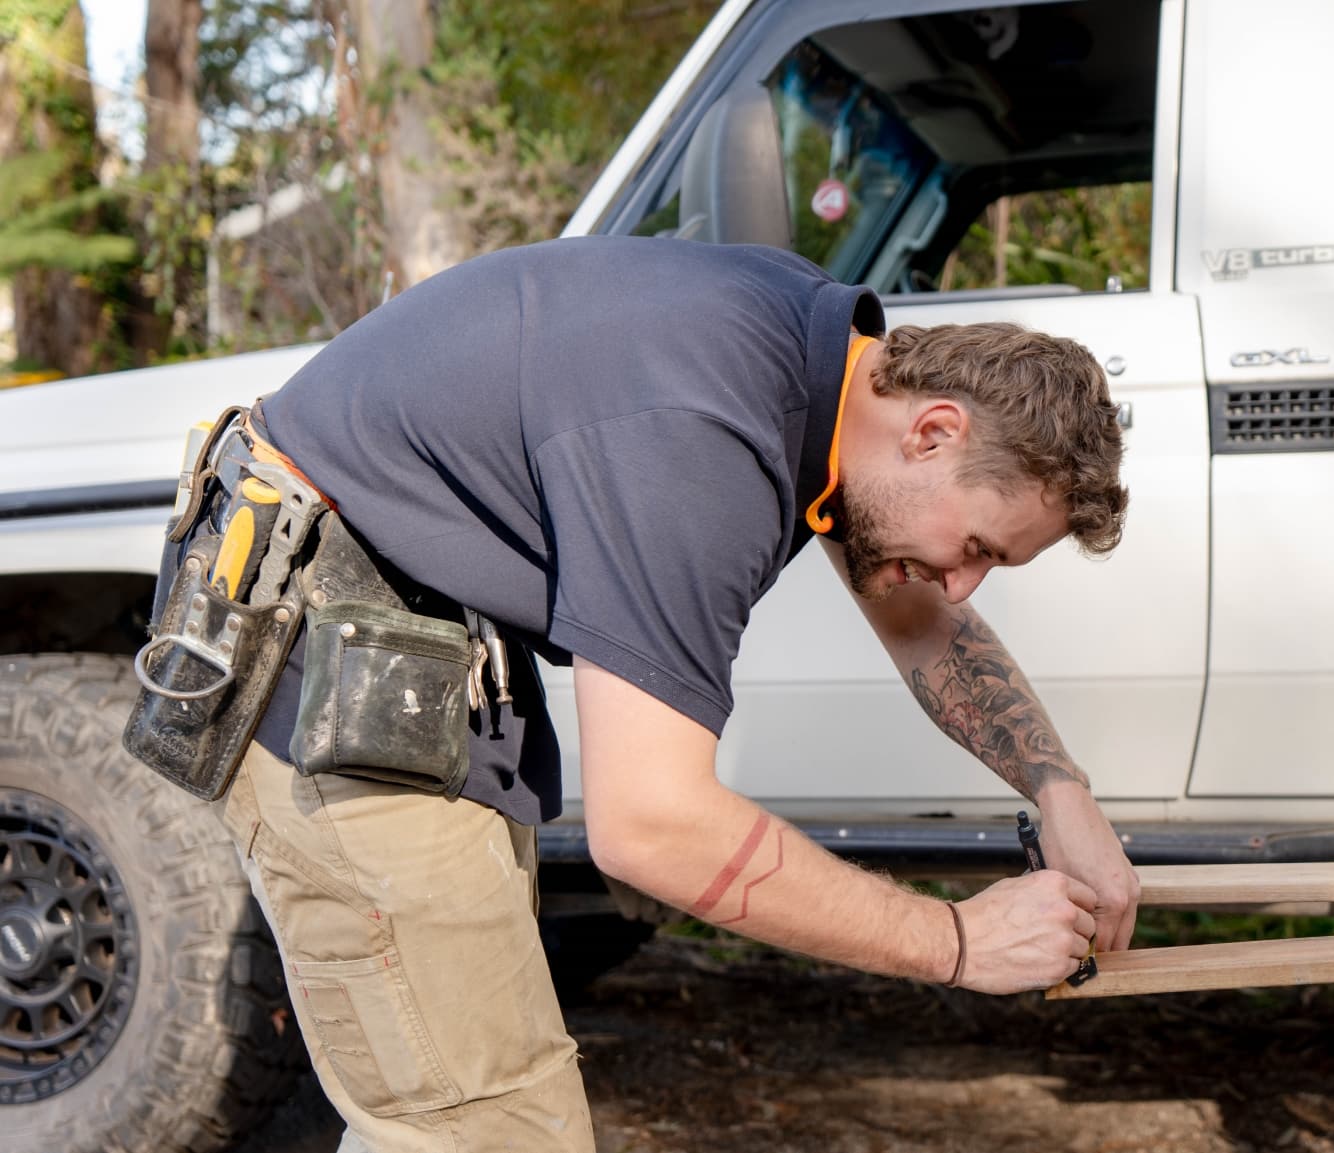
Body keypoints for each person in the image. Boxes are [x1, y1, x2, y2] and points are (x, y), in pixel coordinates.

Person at [221, 236, 1141, 1151]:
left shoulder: (825, 373)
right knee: (493, 1132)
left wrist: (1063, 795)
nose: (960, 585)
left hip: (422, 660)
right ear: (934, 430)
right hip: (332, 670)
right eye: (978, 546)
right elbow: (649, 826)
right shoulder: (702, 435)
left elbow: (916, 615)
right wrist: (958, 942)